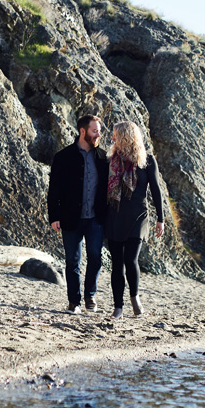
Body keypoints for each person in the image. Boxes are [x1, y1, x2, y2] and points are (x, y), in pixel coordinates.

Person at [47, 113, 109, 314]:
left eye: (99, 130)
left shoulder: (104, 158)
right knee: (72, 260)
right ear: (82, 131)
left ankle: (90, 295)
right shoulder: (63, 157)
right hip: (70, 217)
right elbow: (54, 188)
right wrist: (54, 215)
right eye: (94, 130)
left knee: (95, 257)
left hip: (95, 219)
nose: (98, 134)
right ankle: (74, 301)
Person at [103, 120, 165, 318]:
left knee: (131, 259)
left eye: (115, 135)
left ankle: (134, 297)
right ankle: (118, 307)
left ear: (124, 137)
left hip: (138, 216)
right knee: (117, 263)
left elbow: (156, 191)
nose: (112, 138)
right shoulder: (110, 160)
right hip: (114, 215)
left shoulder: (146, 160)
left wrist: (160, 219)